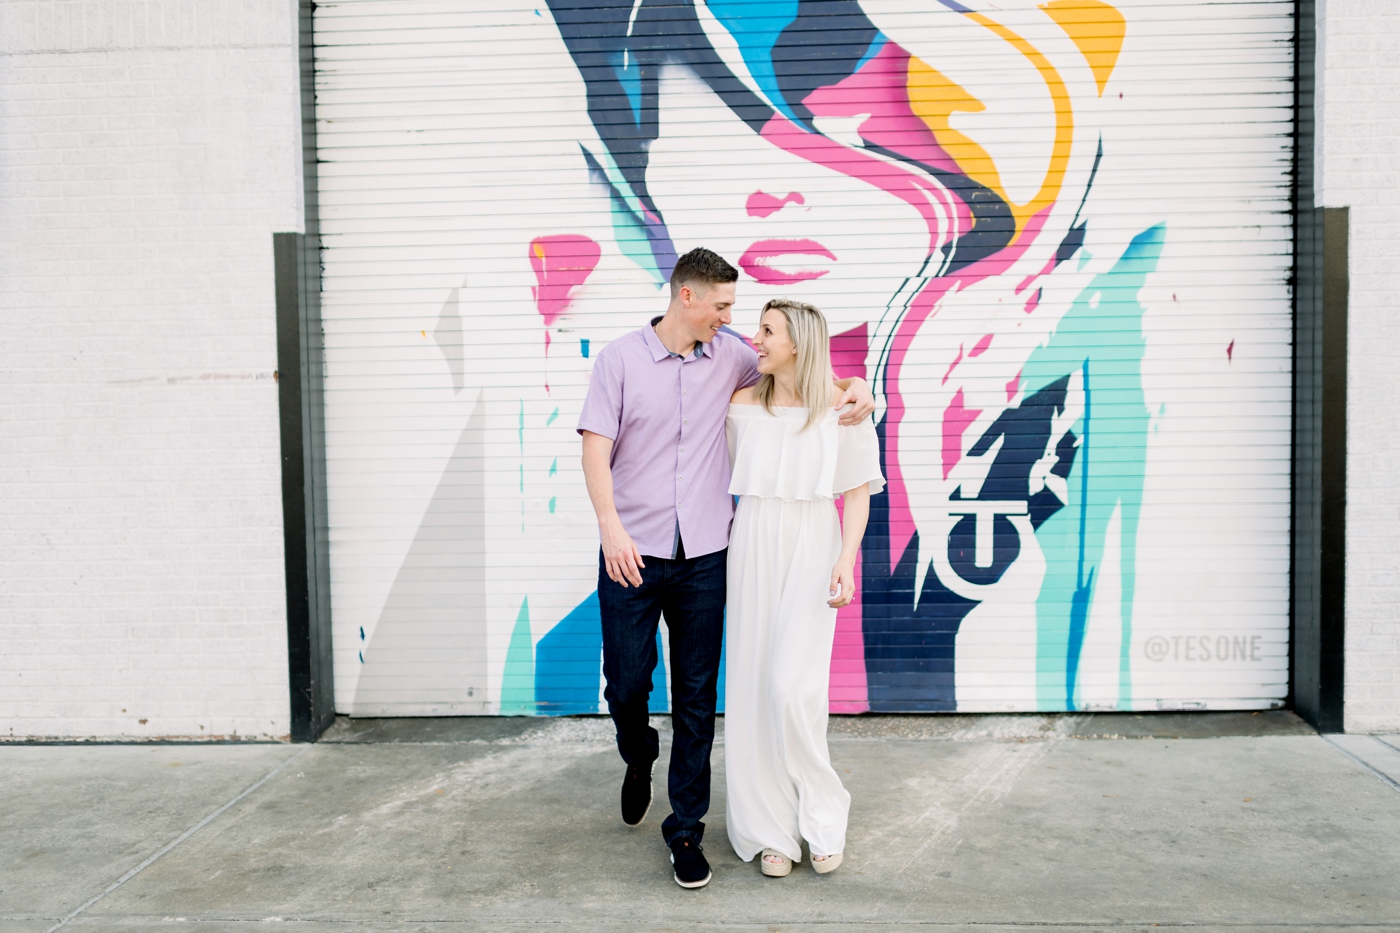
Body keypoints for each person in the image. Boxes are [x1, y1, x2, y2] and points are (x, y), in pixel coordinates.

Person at [576, 248, 875, 889]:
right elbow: (595, 448)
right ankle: (638, 753)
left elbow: (811, 373)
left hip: (709, 554)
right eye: (723, 305)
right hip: (633, 550)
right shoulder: (621, 360)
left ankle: (685, 830)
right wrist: (610, 529)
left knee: (700, 698)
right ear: (687, 296)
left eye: (741, 312)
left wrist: (860, 387)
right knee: (626, 686)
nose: (733, 320)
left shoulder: (734, 356)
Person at [724, 298, 883, 877]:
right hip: (752, 544)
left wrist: (846, 559)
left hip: (815, 545)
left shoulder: (844, 410)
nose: (756, 339)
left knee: (794, 690)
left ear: (798, 343)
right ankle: (770, 828)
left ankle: (822, 814)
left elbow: (858, 489)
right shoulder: (740, 403)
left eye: (768, 331)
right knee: (752, 688)